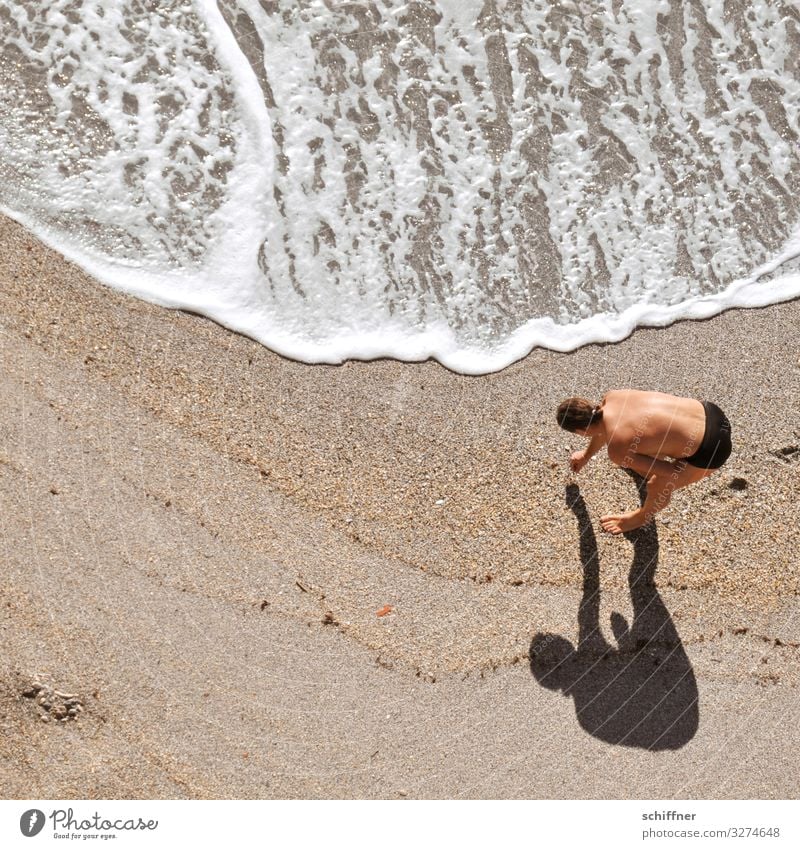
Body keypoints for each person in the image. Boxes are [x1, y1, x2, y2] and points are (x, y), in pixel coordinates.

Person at [556, 390, 732, 534]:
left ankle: (641, 518)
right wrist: (585, 456)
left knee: (656, 484)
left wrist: (658, 478)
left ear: (580, 431)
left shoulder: (617, 450)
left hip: (713, 449)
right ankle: (652, 460)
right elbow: (602, 428)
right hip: (710, 412)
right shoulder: (613, 396)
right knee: (645, 443)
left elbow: (670, 472)